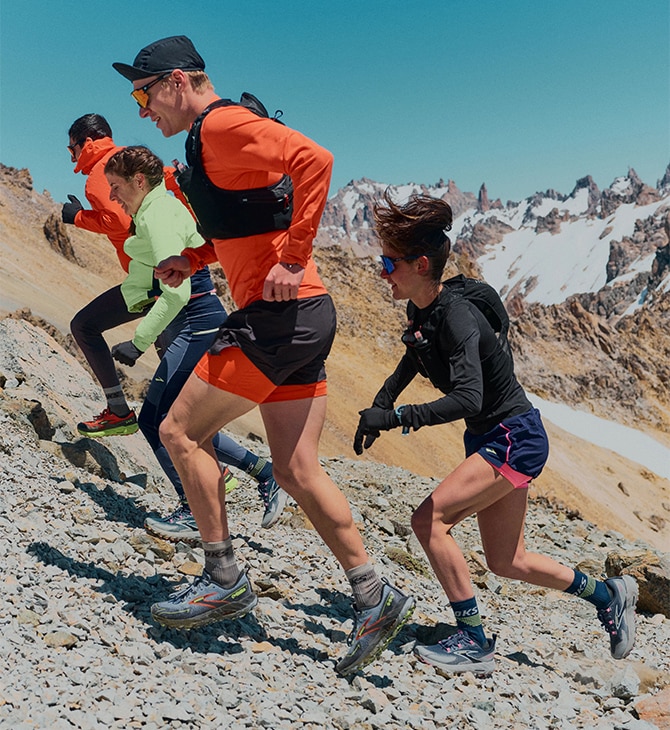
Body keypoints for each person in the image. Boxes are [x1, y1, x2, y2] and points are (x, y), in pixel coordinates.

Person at [112, 35, 415, 675]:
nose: (143, 111)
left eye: (144, 94)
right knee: (296, 468)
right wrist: (192, 259)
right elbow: (247, 226)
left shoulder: (220, 125)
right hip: (306, 316)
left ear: (175, 82)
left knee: (177, 429)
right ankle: (374, 594)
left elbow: (316, 159)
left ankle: (222, 576)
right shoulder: (211, 141)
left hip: (279, 316)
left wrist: (296, 256)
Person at [353, 190, 639, 674]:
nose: (383, 272)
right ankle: (607, 593)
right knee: (507, 560)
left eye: (389, 264)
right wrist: (380, 403)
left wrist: (400, 419)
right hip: (497, 436)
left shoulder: (457, 316)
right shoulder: (425, 309)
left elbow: (468, 399)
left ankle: (473, 641)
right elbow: (414, 354)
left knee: (428, 523)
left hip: (512, 436)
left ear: (420, 265)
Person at [62, 121, 286, 536]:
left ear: (136, 180)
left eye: (117, 188)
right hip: (181, 307)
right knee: (179, 417)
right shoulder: (152, 200)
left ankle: (191, 502)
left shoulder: (145, 207)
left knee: (162, 418)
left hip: (191, 313)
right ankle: (256, 474)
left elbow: (172, 285)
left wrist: (138, 342)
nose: (111, 195)